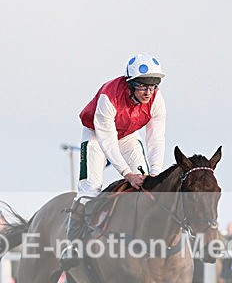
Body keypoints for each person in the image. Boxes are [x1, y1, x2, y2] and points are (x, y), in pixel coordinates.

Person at [60, 53, 167, 269]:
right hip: (97, 136)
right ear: (130, 84)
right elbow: (107, 142)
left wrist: (155, 172)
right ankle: (71, 245)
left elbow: (156, 139)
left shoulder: (157, 100)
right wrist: (127, 173)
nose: (149, 92)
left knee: (148, 186)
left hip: (127, 136)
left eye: (154, 86)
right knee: (90, 188)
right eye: (143, 86)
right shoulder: (108, 97)